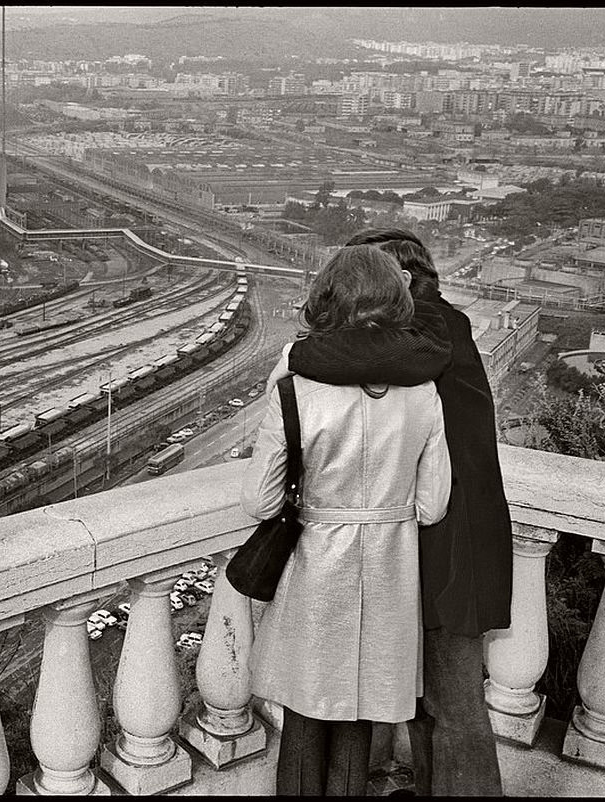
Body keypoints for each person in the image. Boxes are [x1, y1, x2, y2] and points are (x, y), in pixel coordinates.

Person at [280, 228, 513, 796]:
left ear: (404, 281)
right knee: (430, 701)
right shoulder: (434, 327)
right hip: (445, 537)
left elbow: (336, 357)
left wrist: (298, 353)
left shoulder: (432, 329)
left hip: (448, 544)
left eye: (370, 278)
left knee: (451, 701)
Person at [241, 245, 452, 796]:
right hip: (390, 569)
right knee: (362, 709)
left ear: (325, 300)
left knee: (308, 708)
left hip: (318, 564)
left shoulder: (295, 384)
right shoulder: (425, 390)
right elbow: (432, 505)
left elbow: (261, 503)